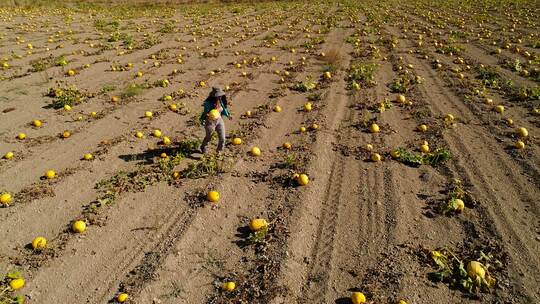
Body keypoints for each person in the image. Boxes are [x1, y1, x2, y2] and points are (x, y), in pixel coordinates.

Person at [199, 87, 231, 154]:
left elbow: (224, 109)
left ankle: (219, 152)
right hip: (210, 122)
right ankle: (203, 146)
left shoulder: (221, 101)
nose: (219, 97)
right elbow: (205, 113)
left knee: (222, 138)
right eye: (218, 96)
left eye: (220, 96)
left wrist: (228, 115)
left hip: (219, 120)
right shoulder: (208, 103)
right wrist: (208, 115)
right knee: (209, 137)